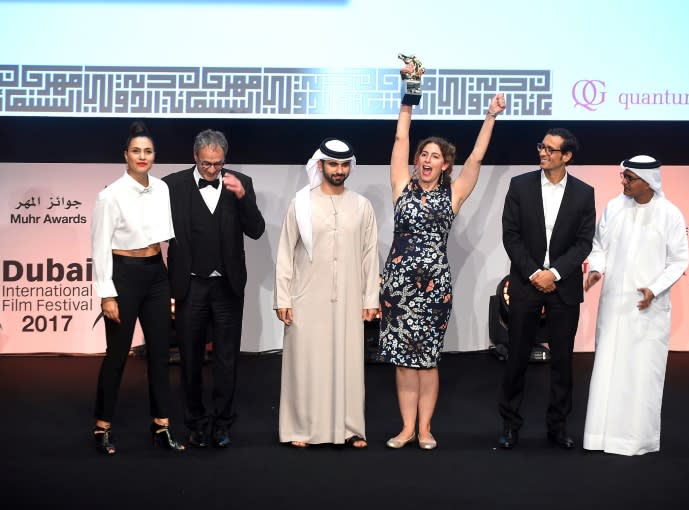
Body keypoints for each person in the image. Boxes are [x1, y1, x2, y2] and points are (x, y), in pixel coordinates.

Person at [378, 65, 506, 450]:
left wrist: (490, 117)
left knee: (428, 358)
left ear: (446, 164)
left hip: (435, 288)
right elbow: (401, 136)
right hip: (398, 286)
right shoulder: (401, 185)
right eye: (424, 154)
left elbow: (478, 159)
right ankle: (405, 428)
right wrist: (409, 92)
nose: (427, 159)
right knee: (403, 359)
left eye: (435, 156)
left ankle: (426, 428)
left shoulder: (453, 194)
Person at [274, 138, 379, 449]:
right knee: (305, 364)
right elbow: (285, 252)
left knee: (348, 362)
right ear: (320, 165)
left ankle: (350, 428)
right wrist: (283, 297)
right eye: (333, 164)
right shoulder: (301, 204)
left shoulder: (361, 205)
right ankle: (300, 428)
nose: (339, 170)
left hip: (348, 298)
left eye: (345, 164)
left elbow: (369, 255)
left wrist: (369, 298)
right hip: (306, 297)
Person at [163, 129, 265, 448]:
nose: (211, 170)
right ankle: (194, 422)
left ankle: (222, 422)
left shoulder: (241, 183)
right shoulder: (171, 185)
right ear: (195, 157)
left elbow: (257, 230)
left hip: (227, 286)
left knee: (226, 359)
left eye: (217, 164)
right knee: (190, 359)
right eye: (206, 164)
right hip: (189, 285)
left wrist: (241, 197)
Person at [583, 155, 689, 456]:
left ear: (649, 181)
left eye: (629, 178)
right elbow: (599, 246)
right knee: (608, 369)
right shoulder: (614, 207)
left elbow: (679, 260)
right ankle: (599, 437)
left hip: (647, 310)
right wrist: (595, 269)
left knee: (642, 374)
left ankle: (636, 440)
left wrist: (654, 289)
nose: (624, 182)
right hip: (614, 305)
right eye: (624, 177)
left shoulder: (670, 215)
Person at [497, 128, 595, 450]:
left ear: (567, 156)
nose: (543, 153)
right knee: (517, 359)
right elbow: (510, 235)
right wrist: (535, 273)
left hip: (563, 287)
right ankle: (510, 426)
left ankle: (558, 426)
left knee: (563, 361)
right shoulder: (520, 185)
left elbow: (583, 243)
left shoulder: (584, 193)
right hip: (526, 284)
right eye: (542, 146)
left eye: (551, 150)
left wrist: (554, 273)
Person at [91, 121, 185, 455]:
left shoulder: (161, 189)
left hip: (155, 274)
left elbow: (167, 240)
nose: (142, 156)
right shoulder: (110, 195)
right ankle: (102, 427)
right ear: (125, 156)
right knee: (117, 356)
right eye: (136, 151)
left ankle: (161, 425)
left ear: (154, 155)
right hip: (123, 275)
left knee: (160, 354)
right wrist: (107, 293)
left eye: (147, 151)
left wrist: (171, 284)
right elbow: (100, 246)